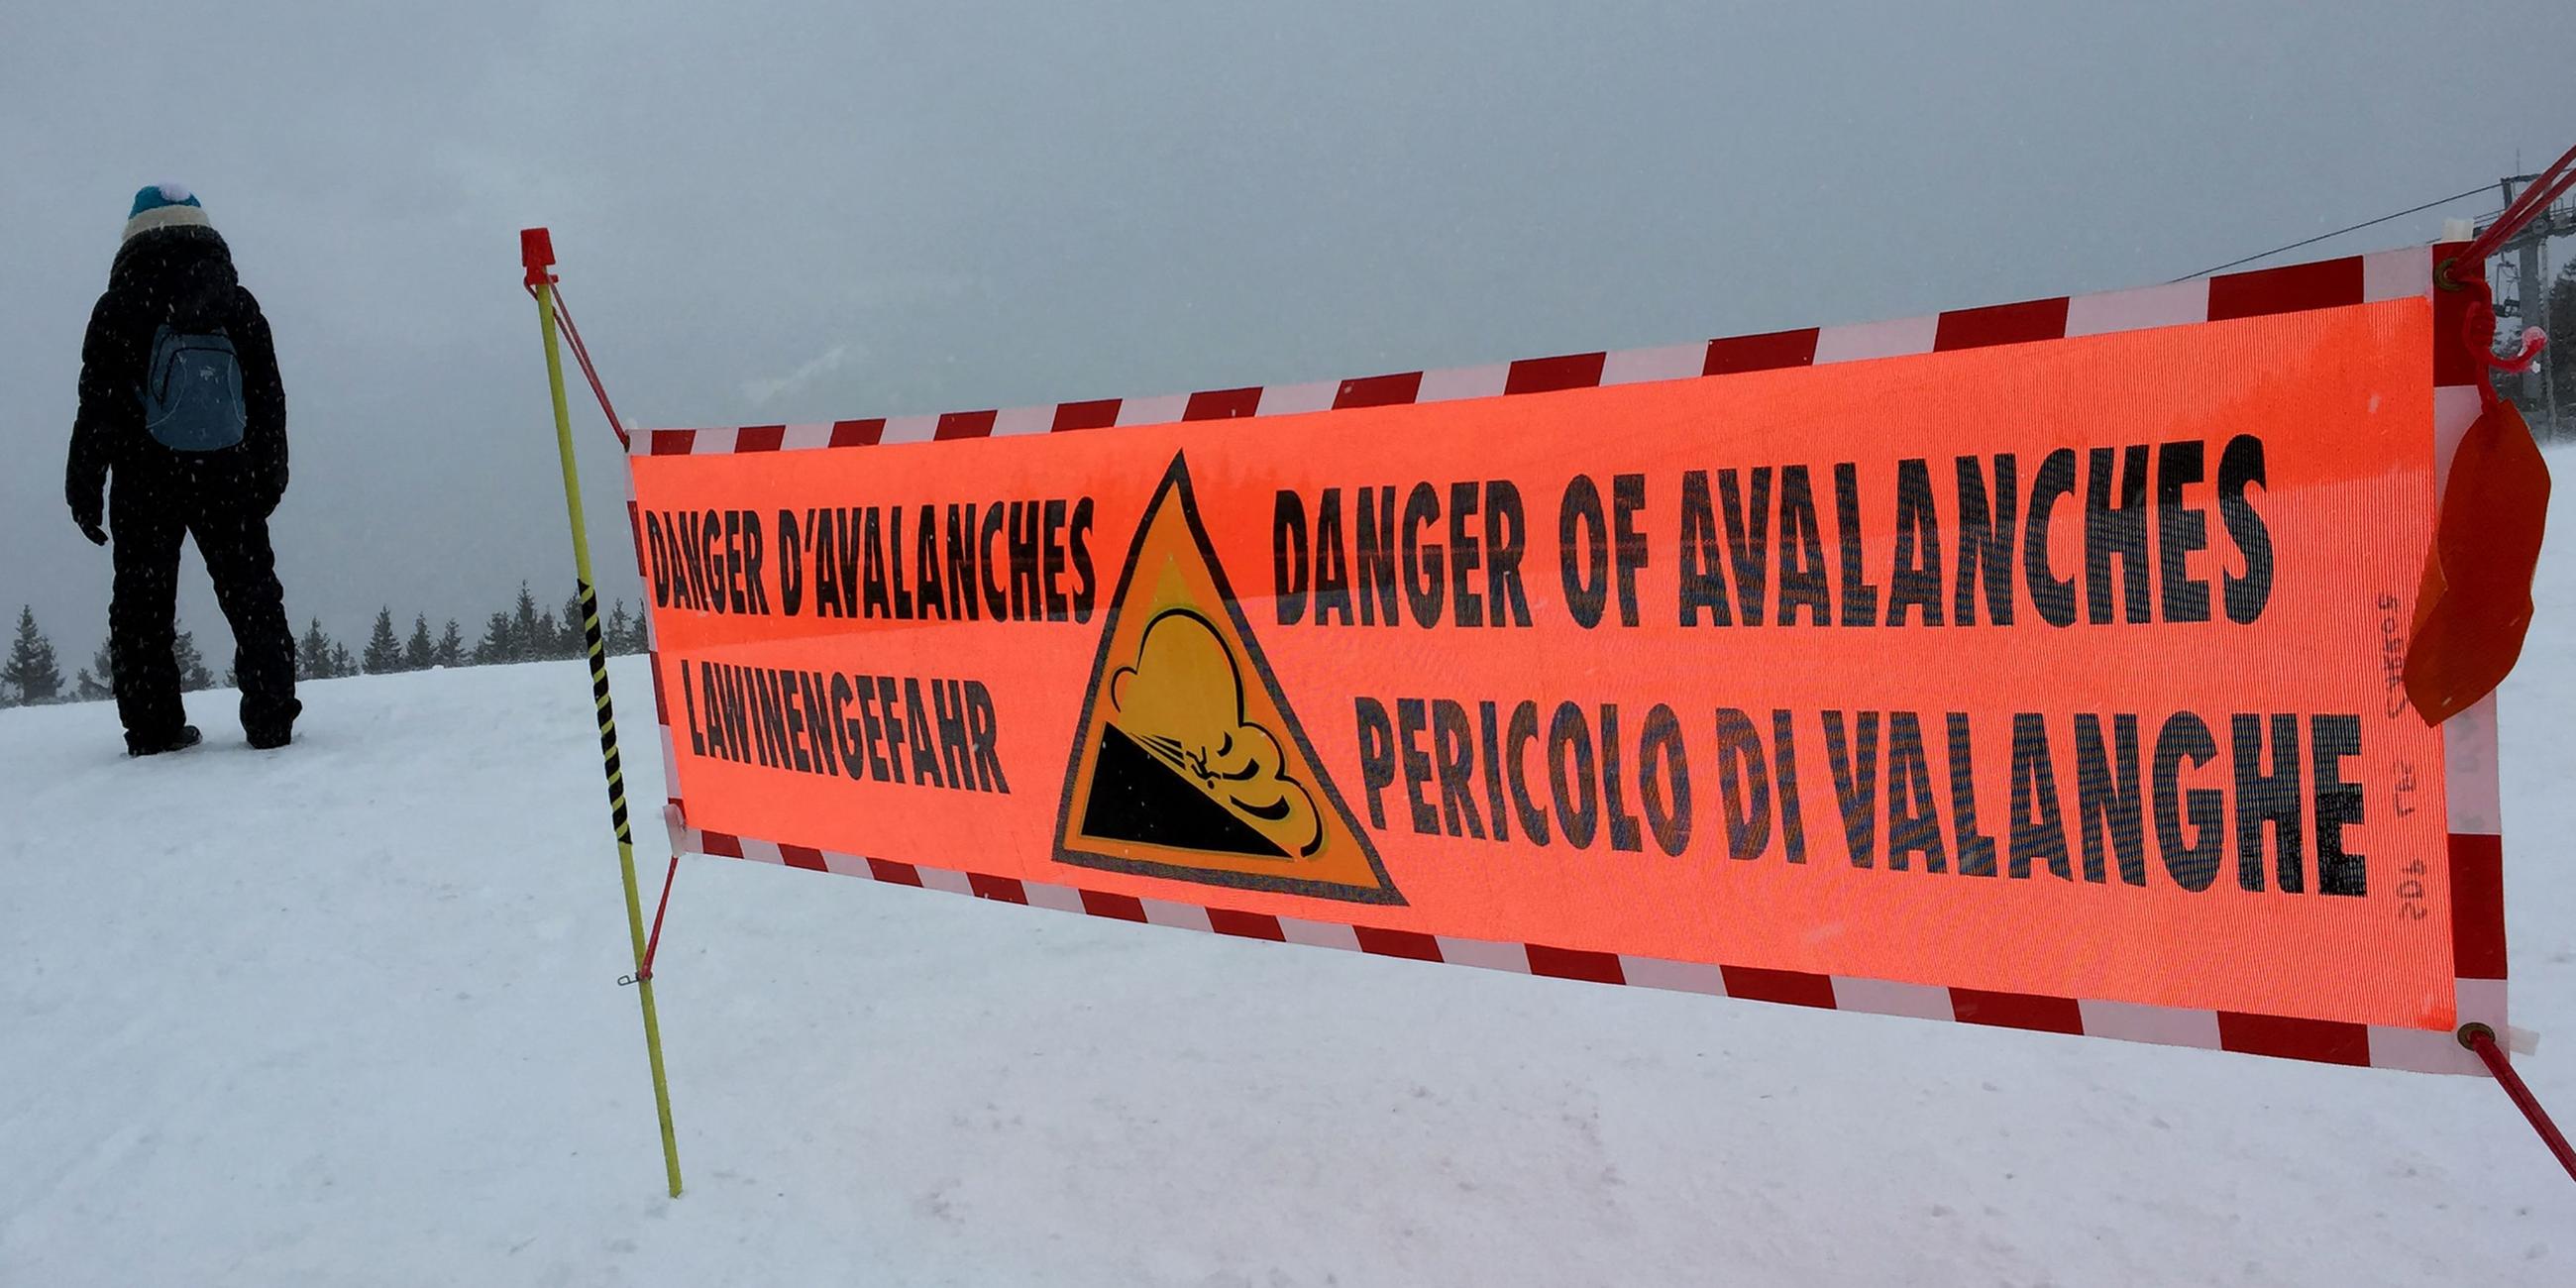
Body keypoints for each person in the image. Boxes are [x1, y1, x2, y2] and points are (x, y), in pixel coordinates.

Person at [65, 184, 299, 755]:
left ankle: (153, 728)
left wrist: (84, 486)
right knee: (252, 593)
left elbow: (96, 404)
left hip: (144, 473)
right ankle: (270, 720)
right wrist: (270, 472)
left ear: (132, 234)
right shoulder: (235, 301)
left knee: (142, 606)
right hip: (228, 467)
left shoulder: (117, 305)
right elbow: (267, 396)